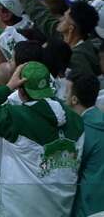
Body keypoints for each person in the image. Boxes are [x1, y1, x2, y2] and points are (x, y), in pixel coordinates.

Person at [0, 62, 85, 216]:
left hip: (19, 210)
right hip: (60, 209)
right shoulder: (76, 121)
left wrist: (8, 86)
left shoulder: (16, 117)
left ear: (21, 90)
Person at [6, 0, 100, 79]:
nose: (60, 19)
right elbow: (37, 11)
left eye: (65, 18)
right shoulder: (60, 36)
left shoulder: (80, 58)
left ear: (71, 28)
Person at [66, 73, 104, 216]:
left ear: (74, 99)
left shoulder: (80, 130)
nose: (65, 96)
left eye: (67, 92)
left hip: (88, 206)